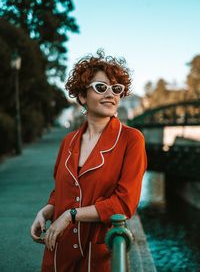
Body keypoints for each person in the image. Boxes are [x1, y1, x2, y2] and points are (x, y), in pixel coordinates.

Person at [30, 50, 147, 272]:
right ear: (83, 96)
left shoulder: (132, 139)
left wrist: (71, 216)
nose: (110, 94)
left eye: (116, 89)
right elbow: (60, 190)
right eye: (101, 87)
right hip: (59, 252)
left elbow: (124, 204)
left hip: (97, 256)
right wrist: (46, 211)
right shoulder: (68, 141)